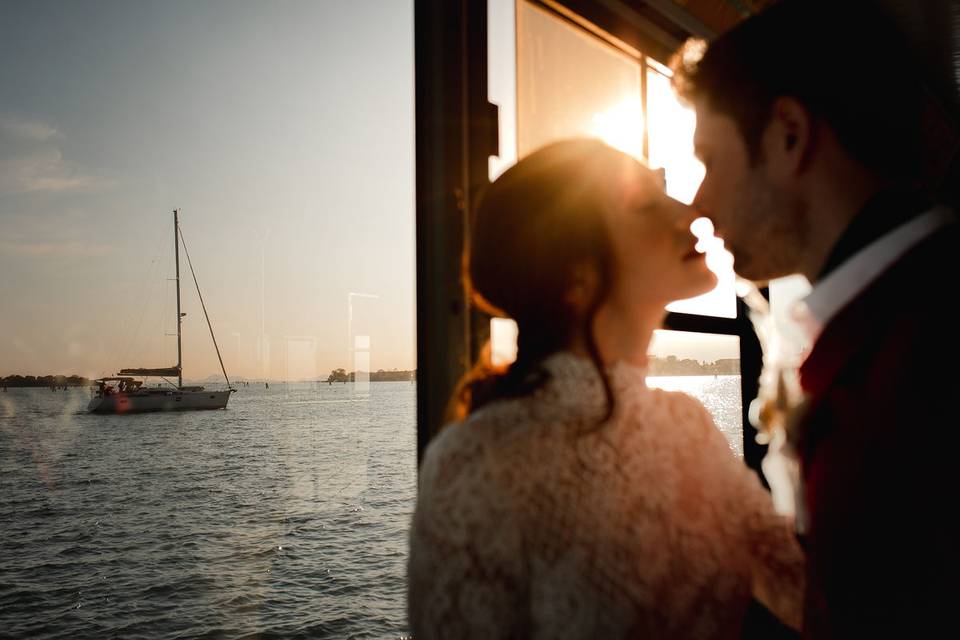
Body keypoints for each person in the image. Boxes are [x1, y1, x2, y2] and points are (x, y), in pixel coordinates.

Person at [408, 139, 803, 638]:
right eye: (645, 205)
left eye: (667, 191)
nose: (689, 212)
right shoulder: (477, 462)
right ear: (578, 275)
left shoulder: (687, 425)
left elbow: (808, 597)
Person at [671, 1, 960, 636]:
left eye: (711, 161)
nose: (698, 204)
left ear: (789, 135)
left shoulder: (918, 367)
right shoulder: (897, 320)